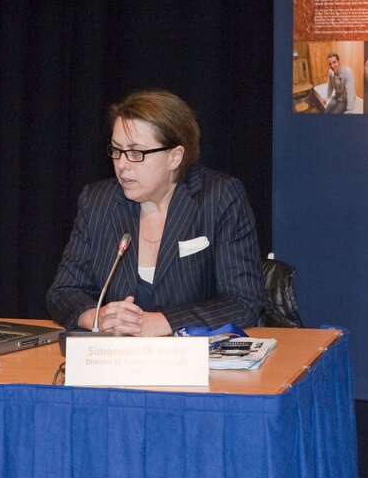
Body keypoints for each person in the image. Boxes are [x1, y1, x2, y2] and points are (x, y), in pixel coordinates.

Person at [46, 89, 264, 335]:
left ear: (174, 157)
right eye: (117, 150)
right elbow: (63, 292)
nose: (122, 164)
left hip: (194, 361)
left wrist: (160, 322)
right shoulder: (98, 201)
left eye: (136, 153)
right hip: (115, 361)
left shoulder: (218, 198)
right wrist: (98, 316)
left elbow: (243, 302)